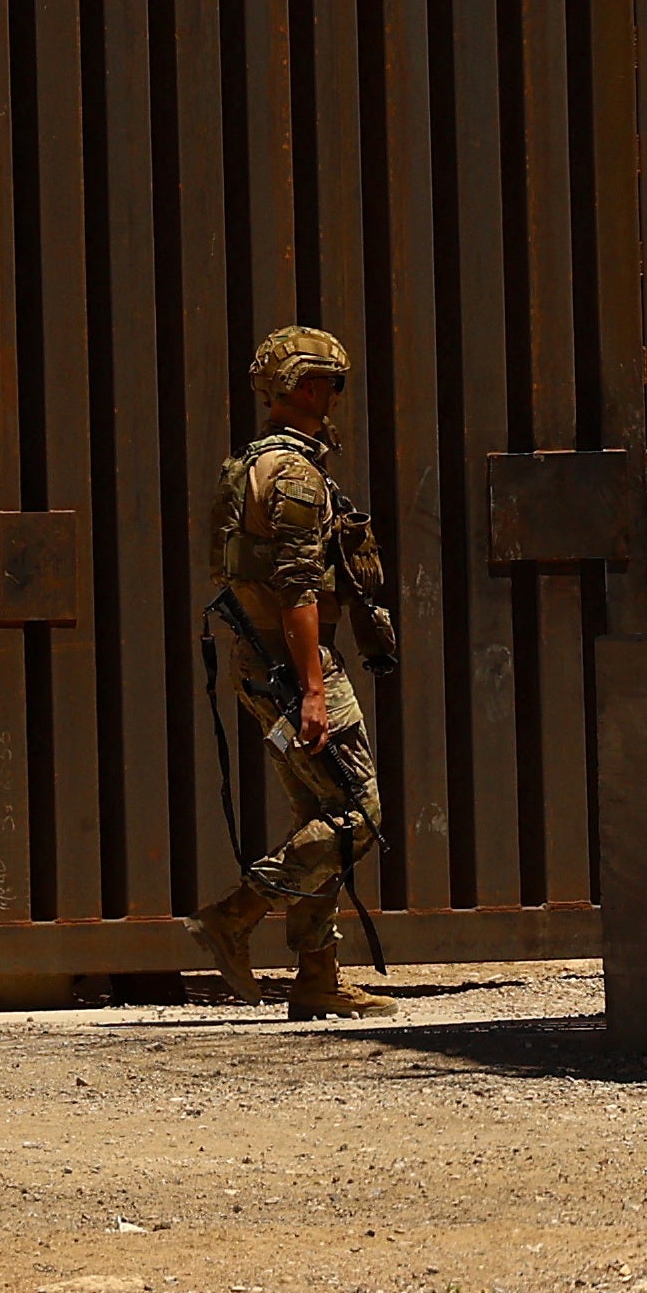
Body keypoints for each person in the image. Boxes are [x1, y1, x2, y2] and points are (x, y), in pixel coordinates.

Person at [191, 327, 397, 1022]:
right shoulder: (296, 475)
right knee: (359, 812)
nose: (335, 397)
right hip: (292, 670)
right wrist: (313, 688)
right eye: (333, 384)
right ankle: (236, 913)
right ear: (309, 387)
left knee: (320, 816)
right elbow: (297, 586)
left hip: (263, 667)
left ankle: (317, 976)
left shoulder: (251, 465)